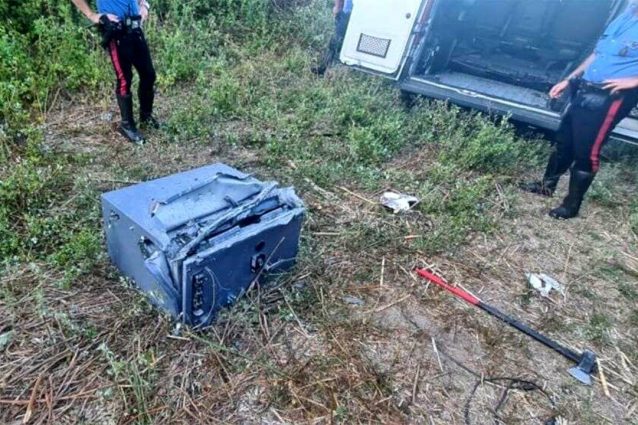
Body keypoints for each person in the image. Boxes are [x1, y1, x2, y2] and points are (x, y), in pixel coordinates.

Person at [521, 4, 638, 219]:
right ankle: (546, 186)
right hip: (584, 88)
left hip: (610, 97)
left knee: (587, 151)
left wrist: (634, 81)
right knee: (564, 141)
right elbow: (596, 54)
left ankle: (571, 206)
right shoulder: (624, 17)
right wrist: (569, 79)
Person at [71, 0, 159, 144]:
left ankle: (146, 118)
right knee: (124, 80)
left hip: (135, 28)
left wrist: (143, 5)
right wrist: (92, 15)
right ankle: (127, 125)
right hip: (115, 31)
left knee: (149, 75)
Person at [312, 0, 353, 76]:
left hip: (363, 15)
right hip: (348, 14)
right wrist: (338, 6)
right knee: (336, 41)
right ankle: (325, 69)